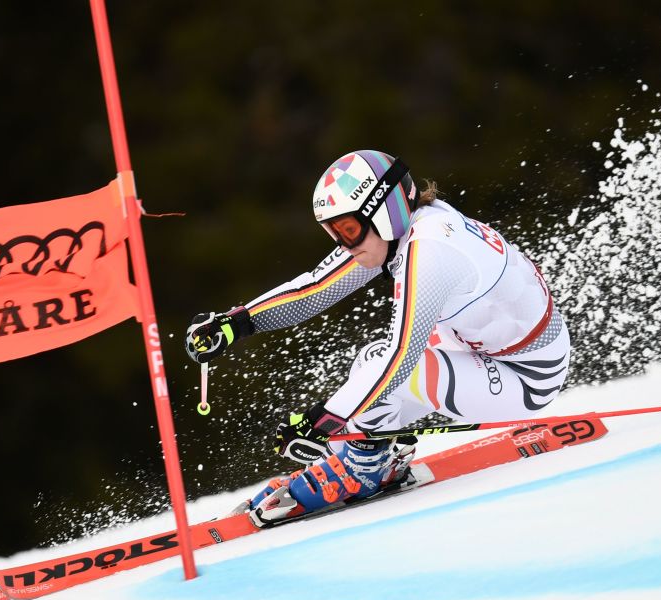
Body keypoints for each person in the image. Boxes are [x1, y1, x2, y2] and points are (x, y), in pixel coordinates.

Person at [186, 150, 571, 527]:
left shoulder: (430, 250)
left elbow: (403, 355)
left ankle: (362, 469)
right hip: (485, 352)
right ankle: (371, 456)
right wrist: (236, 323)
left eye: (349, 229)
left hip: (526, 377)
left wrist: (323, 420)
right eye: (334, 232)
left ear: (384, 211)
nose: (344, 244)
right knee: (372, 371)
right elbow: (317, 288)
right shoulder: (410, 230)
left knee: (381, 363)